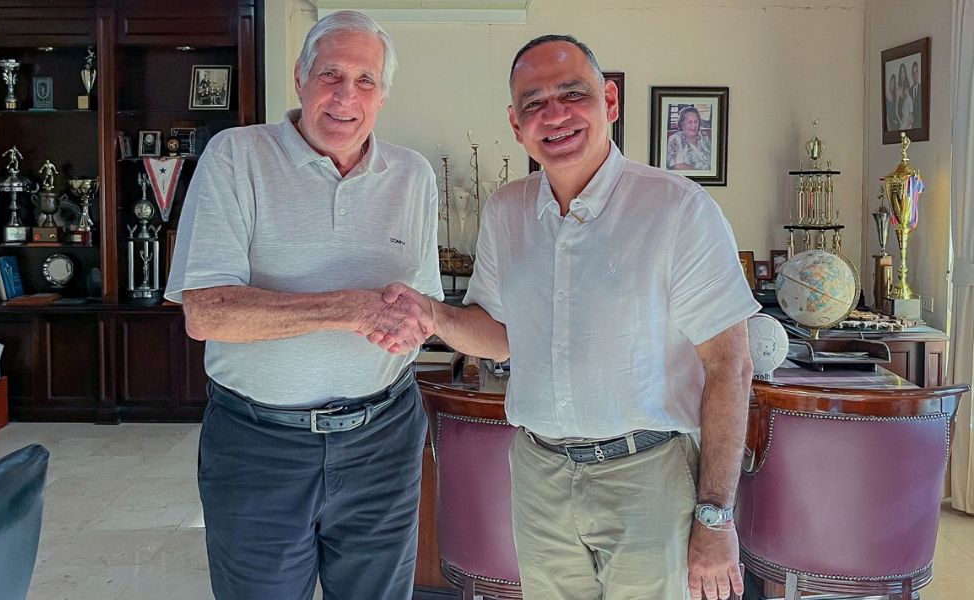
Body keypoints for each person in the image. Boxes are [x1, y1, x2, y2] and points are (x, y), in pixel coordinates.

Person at [371, 34, 759, 600]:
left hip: (647, 475)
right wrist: (432, 315)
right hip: (540, 475)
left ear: (610, 102)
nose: (554, 115)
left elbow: (731, 366)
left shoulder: (678, 209)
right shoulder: (505, 211)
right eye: (534, 103)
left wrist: (716, 515)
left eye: (573, 94)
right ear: (515, 123)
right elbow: (499, 337)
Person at [165, 11, 442, 600]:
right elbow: (206, 313)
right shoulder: (236, 156)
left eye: (365, 80)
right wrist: (349, 309)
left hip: (384, 439)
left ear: (383, 95)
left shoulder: (413, 176)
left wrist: (409, 325)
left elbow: (419, 307)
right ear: (300, 77)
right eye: (330, 75)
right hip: (259, 443)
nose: (346, 96)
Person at [667, 105, 712, 171]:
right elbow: (675, 166)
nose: (693, 125)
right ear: (682, 124)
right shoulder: (675, 139)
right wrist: (700, 173)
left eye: (696, 121)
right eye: (689, 122)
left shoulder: (704, 136)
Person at [897, 63, 915, 130]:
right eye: (901, 72)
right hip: (901, 121)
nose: (902, 74)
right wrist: (900, 121)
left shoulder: (909, 92)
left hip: (908, 121)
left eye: (903, 72)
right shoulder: (898, 90)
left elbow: (911, 110)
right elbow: (896, 110)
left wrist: (909, 121)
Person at [910, 60, 922, 128]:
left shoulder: (922, 88)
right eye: (914, 73)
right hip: (912, 125)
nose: (915, 75)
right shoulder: (909, 90)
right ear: (912, 75)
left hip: (920, 124)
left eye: (917, 72)